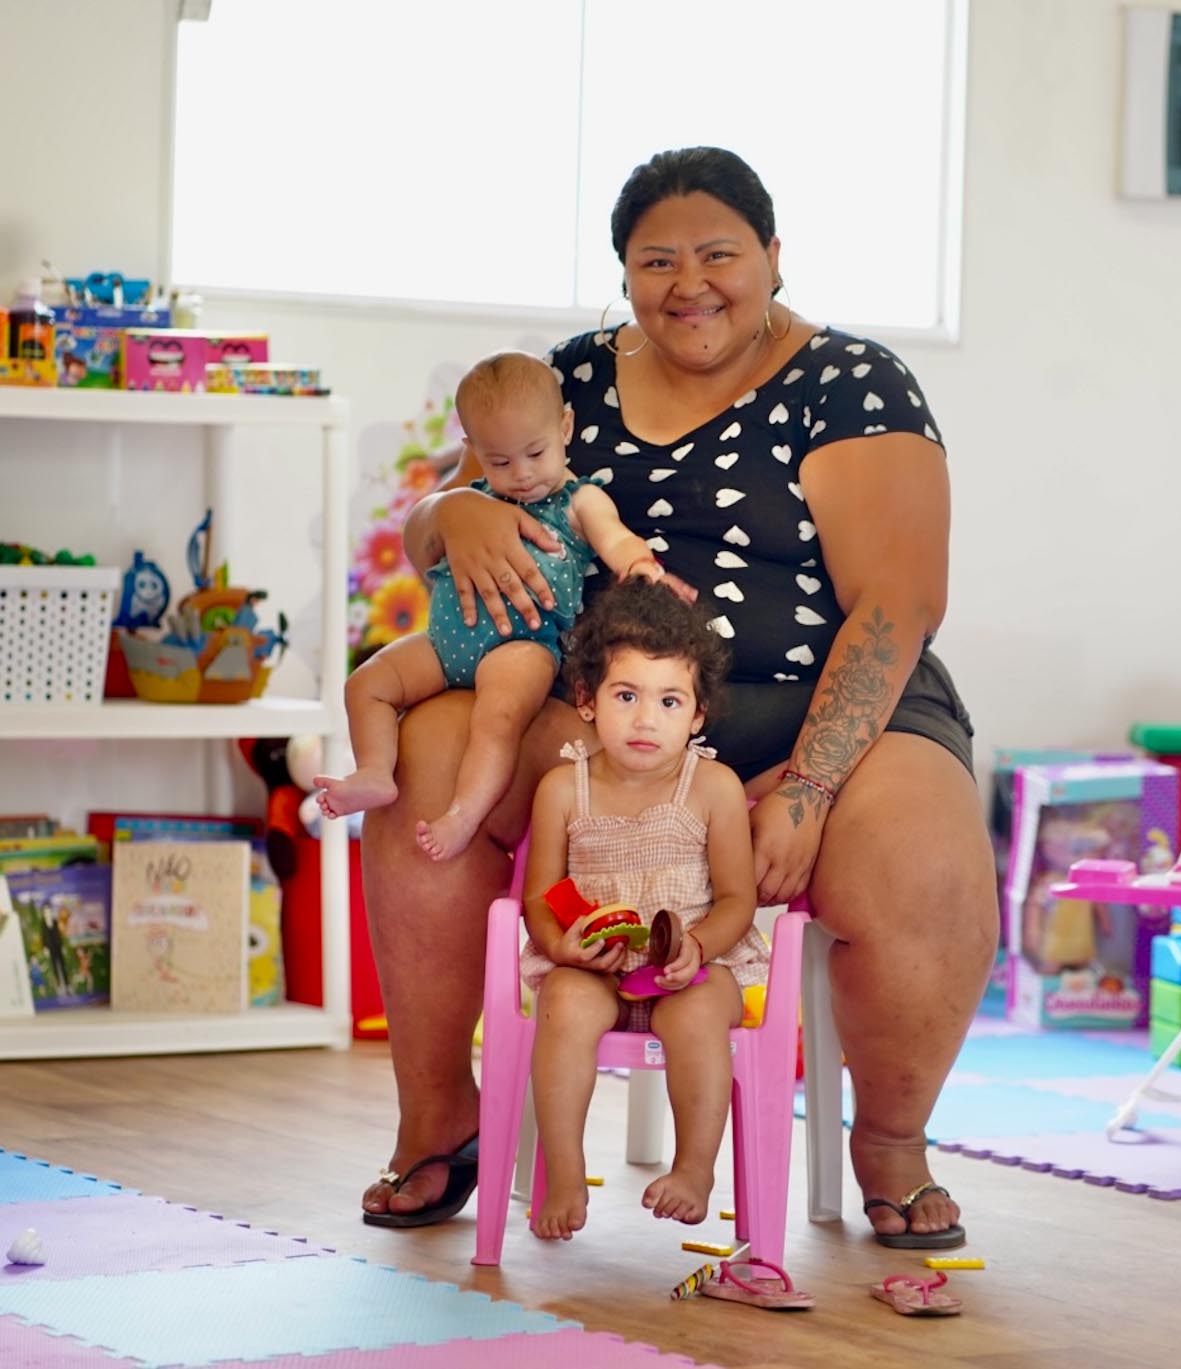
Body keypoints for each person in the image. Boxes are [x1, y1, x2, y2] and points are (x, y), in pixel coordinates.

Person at [359, 147, 994, 1250]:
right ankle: (437, 1119)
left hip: (829, 700)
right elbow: (453, 508)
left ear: (774, 256)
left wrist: (810, 785)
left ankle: (893, 1142)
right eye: (657, 261)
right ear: (624, 273)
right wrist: (445, 516)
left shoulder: (853, 381)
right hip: (605, 706)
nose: (689, 284)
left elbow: (897, 603)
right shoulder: (569, 377)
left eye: (718, 255)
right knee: (427, 755)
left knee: (919, 858)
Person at [313, 352, 685, 861]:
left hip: (522, 646)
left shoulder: (578, 500)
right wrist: (456, 508)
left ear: (565, 427)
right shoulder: (476, 499)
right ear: (473, 451)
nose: (523, 474)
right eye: (501, 462)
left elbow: (614, 537)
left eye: (535, 453)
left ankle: (464, 814)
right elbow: (426, 535)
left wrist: (639, 565)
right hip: (443, 644)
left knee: (497, 719)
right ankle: (376, 771)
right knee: (365, 684)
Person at [518, 580, 769, 1239]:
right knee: (563, 1003)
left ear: (697, 715)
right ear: (586, 699)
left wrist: (699, 946)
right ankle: (565, 1173)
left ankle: (693, 1170)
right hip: (596, 969)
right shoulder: (562, 790)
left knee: (696, 1014)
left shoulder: (713, 788)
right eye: (625, 696)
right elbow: (541, 895)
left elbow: (738, 900)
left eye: (669, 701)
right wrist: (560, 946)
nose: (645, 719)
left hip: (691, 970)